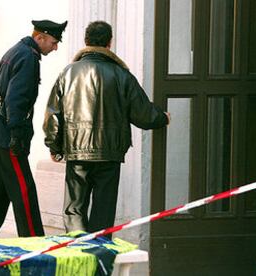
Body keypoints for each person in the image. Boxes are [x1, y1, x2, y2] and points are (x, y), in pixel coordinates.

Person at [43, 21, 170, 235]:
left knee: (74, 209)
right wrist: (162, 118)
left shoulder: (68, 73)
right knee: (104, 210)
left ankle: (76, 254)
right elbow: (142, 113)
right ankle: (99, 257)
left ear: (86, 42)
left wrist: (54, 146)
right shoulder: (121, 75)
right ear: (109, 43)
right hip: (109, 152)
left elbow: (54, 114)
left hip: (76, 151)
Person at [0, 19, 67, 239]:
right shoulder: (29, 58)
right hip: (7, 133)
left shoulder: (14, 51)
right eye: (53, 41)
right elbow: (17, 100)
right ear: (39, 37)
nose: (55, 47)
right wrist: (17, 134)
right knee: (24, 189)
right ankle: (34, 241)